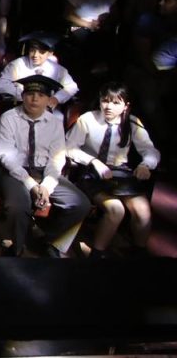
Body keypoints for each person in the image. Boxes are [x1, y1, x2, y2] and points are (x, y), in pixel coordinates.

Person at [0, 75, 91, 257]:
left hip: (44, 170)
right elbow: (7, 156)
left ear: (49, 100)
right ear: (22, 96)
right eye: (30, 94)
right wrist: (31, 185)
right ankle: (17, 248)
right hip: (14, 171)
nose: (35, 99)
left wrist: (47, 185)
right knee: (18, 206)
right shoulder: (8, 118)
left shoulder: (54, 123)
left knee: (80, 204)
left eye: (40, 95)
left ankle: (47, 240)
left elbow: (57, 158)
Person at [66, 82, 160, 258]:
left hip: (120, 174)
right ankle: (97, 253)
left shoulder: (132, 122)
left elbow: (150, 150)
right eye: (105, 101)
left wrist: (146, 164)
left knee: (143, 211)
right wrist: (93, 161)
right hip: (91, 172)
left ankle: (139, 252)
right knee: (116, 209)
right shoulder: (88, 119)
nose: (108, 106)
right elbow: (69, 147)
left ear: (126, 106)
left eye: (116, 103)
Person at [0, 32, 79, 113]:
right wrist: (23, 94)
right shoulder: (17, 65)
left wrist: (57, 98)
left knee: (58, 118)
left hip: (46, 108)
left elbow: (71, 87)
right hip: (20, 105)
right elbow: (1, 83)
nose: (35, 55)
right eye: (32, 50)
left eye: (41, 52)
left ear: (50, 53)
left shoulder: (58, 69)